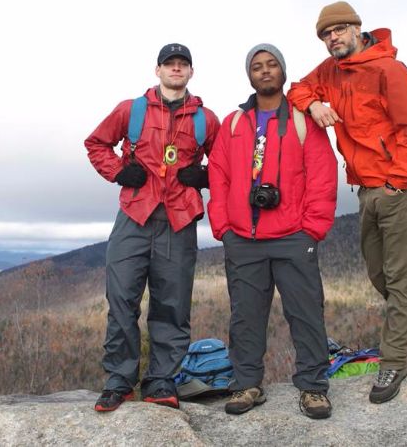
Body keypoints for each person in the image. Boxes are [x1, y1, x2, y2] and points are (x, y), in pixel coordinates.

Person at [287, 1, 407, 404]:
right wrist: (314, 104)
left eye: (338, 31)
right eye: (326, 35)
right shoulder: (331, 71)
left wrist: (397, 182)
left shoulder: (389, 71)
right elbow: (298, 88)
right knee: (381, 277)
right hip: (366, 190)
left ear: (356, 28)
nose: (333, 39)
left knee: (400, 281)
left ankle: (394, 360)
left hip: (400, 188)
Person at [85, 43, 220, 412]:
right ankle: (119, 380)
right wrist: (118, 171)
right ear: (157, 70)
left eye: (183, 64)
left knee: (172, 305)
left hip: (179, 218)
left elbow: (226, 162)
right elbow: (96, 143)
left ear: (191, 72)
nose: (176, 70)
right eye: (169, 64)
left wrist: (205, 175)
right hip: (135, 214)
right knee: (122, 299)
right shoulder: (132, 110)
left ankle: (161, 380)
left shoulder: (205, 119)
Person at [207, 44, 338, 419]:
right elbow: (218, 174)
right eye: (257, 66)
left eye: (272, 65)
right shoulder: (234, 123)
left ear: (282, 71)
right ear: (249, 75)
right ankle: (247, 384)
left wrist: (311, 229)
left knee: (306, 313)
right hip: (243, 239)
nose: (265, 71)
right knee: (245, 316)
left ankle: (313, 388)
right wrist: (223, 226)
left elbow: (322, 175)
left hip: (293, 237)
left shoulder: (301, 120)